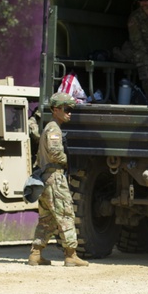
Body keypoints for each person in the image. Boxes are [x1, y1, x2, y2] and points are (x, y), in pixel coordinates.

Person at [28, 92, 89, 267]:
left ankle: (36, 254)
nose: (69, 112)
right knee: (66, 214)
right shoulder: (54, 129)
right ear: (56, 110)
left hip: (46, 179)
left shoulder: (50, 127)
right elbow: (55, 154)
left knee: (47, 219)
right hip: (54, 178)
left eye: (70, 109)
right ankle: (71, 255)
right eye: (66, 109)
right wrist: (69, 160)